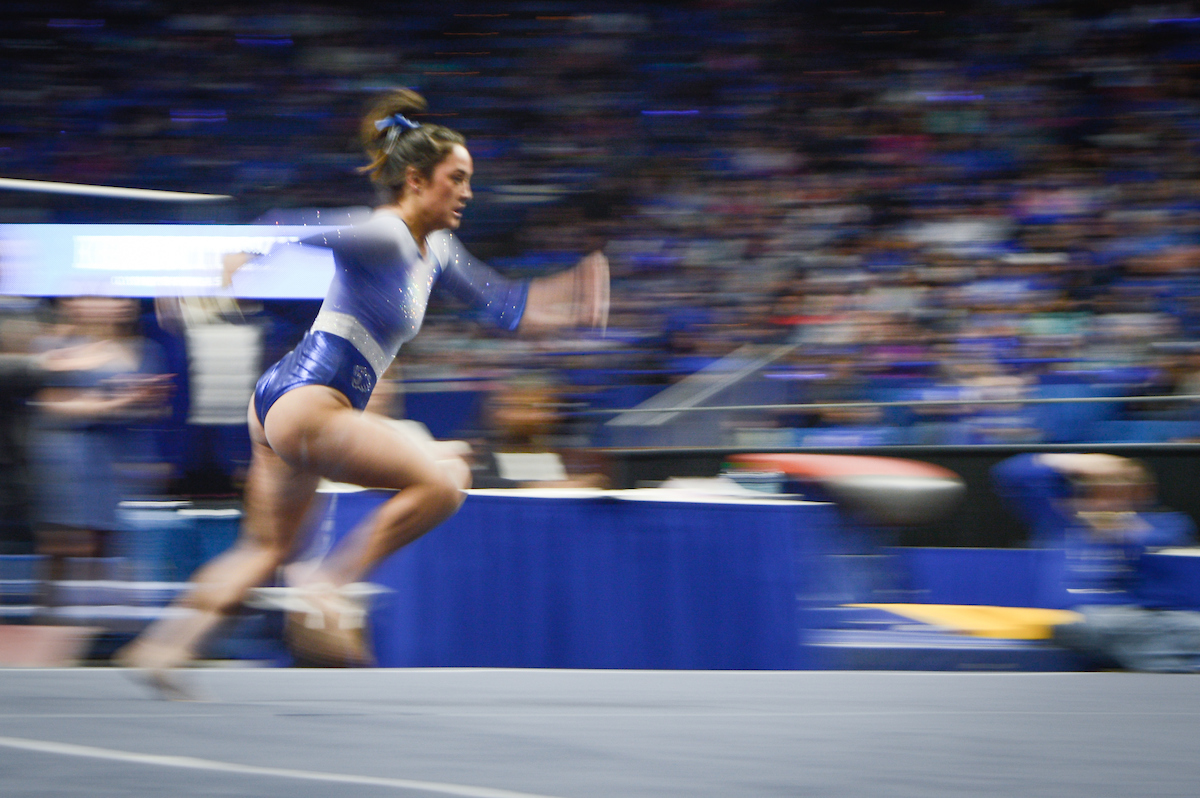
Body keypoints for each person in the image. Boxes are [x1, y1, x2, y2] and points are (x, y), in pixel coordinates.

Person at [116, 89, 609, 686]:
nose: (468, 192)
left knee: (265, 550)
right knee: (446, 479)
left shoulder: (439, 250)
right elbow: (298, 226)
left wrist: (571, 300)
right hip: (309, 404)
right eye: (457, 178)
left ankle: (164, 647)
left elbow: (506, 307)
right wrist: (239, 254)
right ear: (416, 180)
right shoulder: (387, 234)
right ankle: (327, 585)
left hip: (287, 399)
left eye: (469, 179)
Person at [992, 452, 1200, 671]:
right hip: (1081, 617)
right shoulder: (1059, 520)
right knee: (1099, 624)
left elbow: (1164, 569)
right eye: (1096, 489)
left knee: (1185, 625)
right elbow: (1011, 473)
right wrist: (1078, 461)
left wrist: (1123, 530)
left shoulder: (1166, 524)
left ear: (1141, 494)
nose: (1107, 499)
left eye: (1121, 490)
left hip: (1142, 618)